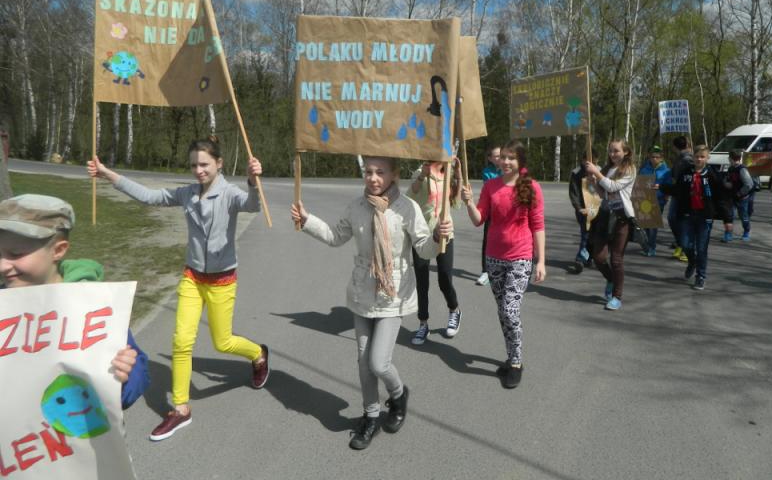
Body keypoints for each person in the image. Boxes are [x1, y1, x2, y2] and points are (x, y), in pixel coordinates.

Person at [88, 136, 269, 441]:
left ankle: (258, 354)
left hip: (222, 281)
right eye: (194, 165)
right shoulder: (187, 194)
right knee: (182, 341)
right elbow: (149, 197)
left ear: (219, 163)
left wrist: (253, 181)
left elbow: (252, 205)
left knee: (223, 342)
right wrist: (107, 174)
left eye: (205, 164)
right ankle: (181, 409)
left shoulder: (229, 194)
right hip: (193, 277)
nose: (199, 171)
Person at [291, 156, 451, 450]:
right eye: (369, 172)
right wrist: (307, 219)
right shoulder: (357, 207)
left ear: (394, 174)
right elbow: (335, 236)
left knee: (379, 362)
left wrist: (438, 237)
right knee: (364, 363)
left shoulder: (407, 208)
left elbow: (424, 250)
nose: (373, 178)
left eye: (380, 172)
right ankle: (371, 416)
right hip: (362, 292)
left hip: (393, 293)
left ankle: (399, 394)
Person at [0, 194, 150, 409]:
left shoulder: (93, 305)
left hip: (73, 424)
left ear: (58, 250)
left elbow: (137, 377)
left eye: (15, 253)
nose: (3, 265)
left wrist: (126, 376)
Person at [461, 140, 546, 389]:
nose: (506, 161)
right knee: (503, 312)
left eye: (511, 157)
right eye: (503, 157)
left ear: (520, 161)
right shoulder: (491, 186)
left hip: (521, 257)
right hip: (494, 258)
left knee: (510, 311)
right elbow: (479, 219)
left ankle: (517, 362)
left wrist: (541, 260)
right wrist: (469, 202)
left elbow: (538, 225)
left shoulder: (531, 187)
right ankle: (510, 357)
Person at [406, 158, 462, 345]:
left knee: (445, 278)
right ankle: (423, 324)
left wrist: (459, 175)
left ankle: (454, 310)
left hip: (445, 233)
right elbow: (410, 197)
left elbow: (456, 203)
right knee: (422, 282)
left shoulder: (449, 173)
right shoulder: (420, 171)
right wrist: (422, 175)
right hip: (422, 235)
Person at [657, 145, 722, 290]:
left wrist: (726, 218)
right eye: (697, 156)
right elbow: (678, 190)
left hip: (704, 216)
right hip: (687, 214)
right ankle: (692, 262)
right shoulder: (686, 172)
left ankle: (701, 276)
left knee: (702, 248)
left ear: (707, 158)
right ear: (693, 157)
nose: (699, 159)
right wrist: (662, 187)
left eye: (702, 157)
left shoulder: (712, 174)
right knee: (685, 244)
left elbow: (720, 195)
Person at [584, 139, 636, 311]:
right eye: (611, 151)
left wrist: (596, 174)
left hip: (621, 218)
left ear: (626, 152)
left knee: (616, 260)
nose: (613, 154)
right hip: (606, 216)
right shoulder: (607, 169)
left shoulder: (629, 169)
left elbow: (613, 187)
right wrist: (593, 182)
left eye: (616, 151)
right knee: (598, 257)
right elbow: (603, 194)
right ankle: (611, 279)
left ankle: (617, 296)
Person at [638, 146, 671, 256]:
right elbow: (639, 184)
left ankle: (651, 247)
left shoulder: (666, 171)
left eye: (657, 157)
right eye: (652, 157)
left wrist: (665, 194)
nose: (654, 159)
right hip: (645, 200)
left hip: (658, 200)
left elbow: (669, 185)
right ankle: (648, 244)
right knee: (646, 224)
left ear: (661, 158)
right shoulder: (644, 170)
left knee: (653, 225)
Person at [476, 145, 502, 285]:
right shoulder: (487, 172)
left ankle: (503, 269)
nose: (500, 158)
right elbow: (492, 190)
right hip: (492, 211)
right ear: (490, 158)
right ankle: (485, 271)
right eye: (496, 156)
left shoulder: (509, 168)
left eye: (501, 154)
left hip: (508, 212)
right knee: (488, 240)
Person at [568, 148, 598, 272]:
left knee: (594, 236)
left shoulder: (599, 171)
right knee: (586, 235)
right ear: (583, 160)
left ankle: (588, 258)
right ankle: (580, 259)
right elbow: (573, 193)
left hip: (596, 209)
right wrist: (579, 208)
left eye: (593, 161)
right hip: (583, 210)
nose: (590, 163)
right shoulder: (576, 173)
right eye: (587, 160)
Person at [668, 136, 694, 262]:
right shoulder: (678, 159)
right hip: (676, 193)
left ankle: (686, 248)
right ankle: (680, 243)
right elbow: (673, 174)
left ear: (674, 147)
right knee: (672, 218)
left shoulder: (689, 159)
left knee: (683, 221)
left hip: (685, 195)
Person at [722, 149, 754, 242]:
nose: (728, 159)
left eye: (729, 158)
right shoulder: (731, 168)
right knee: (729, 216)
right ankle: (728, 233)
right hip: (731, 197)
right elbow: (727, 179)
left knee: (743, 216)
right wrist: (725, 183)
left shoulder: (742, 169)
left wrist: (739, 193)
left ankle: (746, 232)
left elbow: (749, 184)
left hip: (742, 198)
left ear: (731, 158)